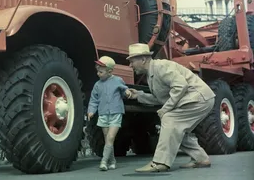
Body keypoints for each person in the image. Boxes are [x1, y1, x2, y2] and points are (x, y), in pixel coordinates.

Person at [125, 43, 216, 173]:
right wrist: (138, 95)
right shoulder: (152, 74)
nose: (130, 65)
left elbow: (180, 86)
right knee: (177, 129)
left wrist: (165, 109)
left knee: (170, 119)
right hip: (197, 99)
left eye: (132, 61)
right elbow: (159, 98)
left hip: (199, 98)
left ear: (143, 59)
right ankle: (200, 159)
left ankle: (160, 162)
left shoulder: (161, 67)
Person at [87, 56, 132, 171]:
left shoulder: (118, 80)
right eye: (97, 71)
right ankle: (112, 161)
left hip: (116, 112)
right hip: (103, 114)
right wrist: (91, 111)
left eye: (101, 72)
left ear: (110, 71)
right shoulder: (97, 85)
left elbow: (124, 89)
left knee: (111, 137)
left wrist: (127, 92)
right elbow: (94, 99)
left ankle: (104, 161)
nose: (98, 74)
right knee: (107, 138)